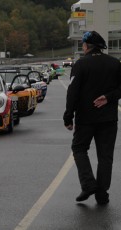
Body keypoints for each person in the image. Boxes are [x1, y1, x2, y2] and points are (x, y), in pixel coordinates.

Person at [63, 31, 121, 205]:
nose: (82, 46)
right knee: (105, 156)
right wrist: (109, 97)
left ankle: (88, 184)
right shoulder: (115, 64)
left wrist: (68, 116)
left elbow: (72, 92)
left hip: (86, 118)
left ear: (88, 46)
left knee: (79, 148)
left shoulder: (81, 65)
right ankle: (102, 194)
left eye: (83, 43)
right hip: (109, 119)